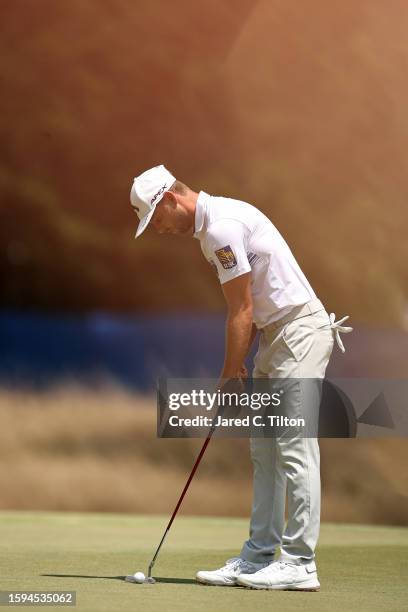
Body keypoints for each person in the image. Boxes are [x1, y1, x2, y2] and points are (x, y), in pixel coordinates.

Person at [130, 164, 352, 591]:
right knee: (264, 450)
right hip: (276, 337)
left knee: (294, 446)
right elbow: (249, 311)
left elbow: (242, 309)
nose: (158, 229)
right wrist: (241, 362)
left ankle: (300, 562)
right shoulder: (213, 229)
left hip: (299, 333)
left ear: (172, 199)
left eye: (156, 219)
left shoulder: (221, 229)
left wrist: (230, 374)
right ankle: (258, 555)